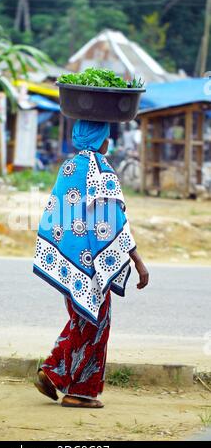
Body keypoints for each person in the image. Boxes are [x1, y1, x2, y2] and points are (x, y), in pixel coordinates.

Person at [33, 120, 149, 409]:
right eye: (107, 136)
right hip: (91, 266)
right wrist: (138, 261)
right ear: (100, 139)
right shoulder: (102, 171)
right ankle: (80, 392)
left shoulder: (68, 168)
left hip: (68, 261)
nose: (109, 141)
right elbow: (115, 222)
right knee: (97, 324)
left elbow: (56, 212)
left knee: (81, 319)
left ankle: (53, 373)